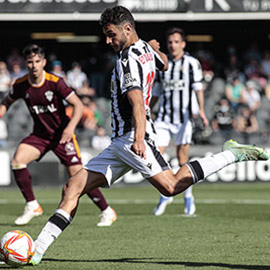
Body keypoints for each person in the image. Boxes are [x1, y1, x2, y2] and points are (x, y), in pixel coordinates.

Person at [30, 6, 269, 265]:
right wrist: (153, 48)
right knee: (72, 187)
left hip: (132, 137)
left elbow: (136, 104)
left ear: (127, 29)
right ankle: (36, 250)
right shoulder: (143, 48)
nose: (108, 41)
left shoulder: (126, 60)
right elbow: (165, 63)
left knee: (171, 186)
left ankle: (230, 154)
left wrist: (139, 138)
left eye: (111, 35)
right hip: (120, 142)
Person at [0, 44, 117, 227]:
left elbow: (78, 105)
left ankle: (107, 210)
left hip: (63, 135)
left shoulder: (55, 82)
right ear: (26, 63)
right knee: (18, 160)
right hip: (40, 135)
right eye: (30, 62)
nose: (34, 65)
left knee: (78, 176)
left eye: (37, 61)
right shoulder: (21, 84)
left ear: (44, 62)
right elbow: (6, 103)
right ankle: (32, 205)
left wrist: (70, 128)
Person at [150, 27, 209, 216]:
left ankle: (188, 197)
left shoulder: (192, 63)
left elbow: (198, 88)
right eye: (170, 42)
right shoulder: (162, 63)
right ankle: (165, 196)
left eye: (176, 42)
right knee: (156, 157)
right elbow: (157, 91)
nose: (173, 45)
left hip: (184, 120)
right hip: (164, 119)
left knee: (183, 161)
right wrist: (147, 109)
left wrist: (201, 110)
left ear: (183, 44)